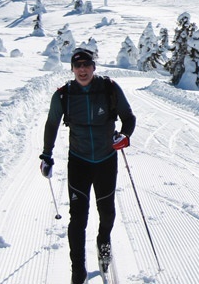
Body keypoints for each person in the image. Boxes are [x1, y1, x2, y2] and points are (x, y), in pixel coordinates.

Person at [40, 49, 136, 284]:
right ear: (72, 69)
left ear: (94, 67)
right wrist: (46, 154)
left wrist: (124, 136)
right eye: (77, 65)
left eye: (86, 65)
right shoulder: (64, 95)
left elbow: (128, 117)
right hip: (79, 162)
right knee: (78, 219)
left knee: (107, 213)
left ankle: (104, 241)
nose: (82, 70)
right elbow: (52, 124)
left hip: (105, 160)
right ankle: (78, 270)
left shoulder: (109, 89)